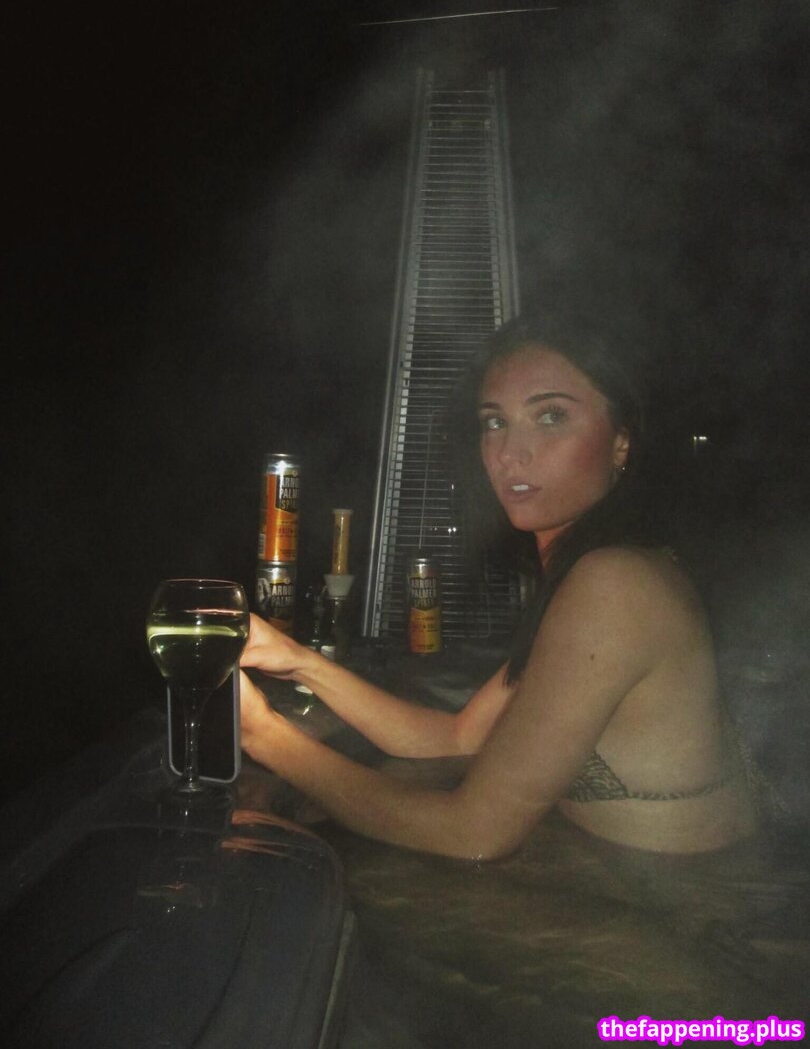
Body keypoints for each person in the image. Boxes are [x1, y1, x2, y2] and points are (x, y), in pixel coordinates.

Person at [237, 315, 758, 858]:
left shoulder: (617, 583)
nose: (511, 452)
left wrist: (262, 735)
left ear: (621, 442)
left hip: (682, 897)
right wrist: (299, 663)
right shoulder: (595, 572)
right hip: (636, 881)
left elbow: (473, 834)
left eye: (551, 416)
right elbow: (456, 738)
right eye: (495, 422)